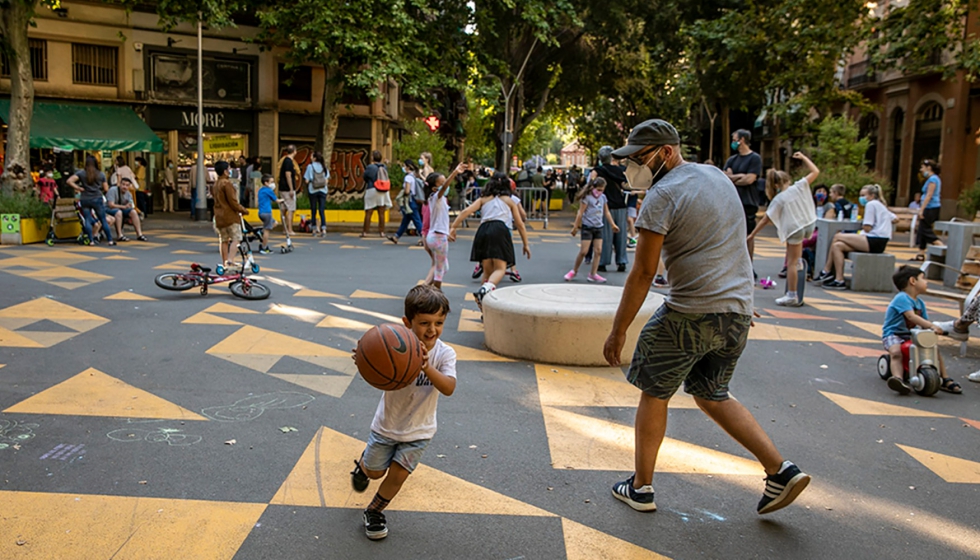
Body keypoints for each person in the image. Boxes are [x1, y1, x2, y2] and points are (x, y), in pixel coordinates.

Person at [602, 118, 809, 516]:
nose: (633, 167)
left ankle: (641, 488)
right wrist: (740, 302)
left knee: (654, 391)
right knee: (712, 393)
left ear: (666, 152)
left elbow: (643, 272)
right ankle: (780, 470)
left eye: (639, 158)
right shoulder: (716, 176)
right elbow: (732, 240)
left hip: (689, 312)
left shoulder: (661, 195)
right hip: (734, 312)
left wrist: (618, 331)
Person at [349, 284, 457, 541]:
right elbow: (374, 362)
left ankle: (374, 512)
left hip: (420, 430)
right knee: (376, 472)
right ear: (407, 323)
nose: (432, 330)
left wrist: (426, 367)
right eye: (424, 323)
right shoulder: (393, 344)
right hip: (387, 426)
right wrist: (367, 358)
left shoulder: (444, 354)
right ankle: (364, 467)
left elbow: (449, 387)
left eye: (439, 322)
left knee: (398, 475)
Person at [449, 172, 531, 311]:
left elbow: (466, 211)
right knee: (500, 268)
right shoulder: (509, 201)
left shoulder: (483, 199)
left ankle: (484, 309)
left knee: (487, 272)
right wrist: (526, 244)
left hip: (483, 230)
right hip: (500, 230)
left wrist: (453, 227)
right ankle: (485, 290)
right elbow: (520, 224)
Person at [747, 152, 820, 307]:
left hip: (794, 229)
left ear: (775, 185)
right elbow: (815, 171)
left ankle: (791, 294)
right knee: (797, 259)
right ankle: (799, 268)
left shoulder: (779, 199)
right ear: (787, 179)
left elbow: (766, 219)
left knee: (791, 263)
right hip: (808, 224)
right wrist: (804, 158)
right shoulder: (799, 186)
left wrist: (752, 235)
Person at [882, 266, 962, 394]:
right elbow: (911, 316)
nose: (926, 282)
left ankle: (945, 378)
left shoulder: (920, 303)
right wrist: (932, 326)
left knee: (934, 349)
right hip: (894, 334)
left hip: (912, 334)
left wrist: (933, 330)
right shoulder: (902, 298)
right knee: (896, 352)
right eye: (923, 279)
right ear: (913, 281)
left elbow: (924, 322)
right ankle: (898, 379)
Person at [816, 184, 896, 290]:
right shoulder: (881, 205)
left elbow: (867, 227)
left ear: (872, 195)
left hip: (874, 239)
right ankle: (839, 280)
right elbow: (896, 218)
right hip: (879, 241)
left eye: (864, 195)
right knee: (838, 246)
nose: (861, 198)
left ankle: (826, 270)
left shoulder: (871, 205)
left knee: (837, 236)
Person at [565, 177, 619, 283]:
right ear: (593, 187)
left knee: (598, 251)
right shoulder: (587, 198)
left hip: (599, 227)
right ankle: (574, 270)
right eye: (598, 189)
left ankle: (593, 274)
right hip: (588, 227)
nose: (599, 192)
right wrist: (575, 227)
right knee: (584, 251)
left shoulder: (603, 198)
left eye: (602, 190)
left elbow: (606, 212)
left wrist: (613, 224)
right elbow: (580, 212)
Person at [422, 163, 467, 289]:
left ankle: (427, 290)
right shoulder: (436, 197)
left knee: (443, 267)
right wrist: (455, 172)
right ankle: (436, 295)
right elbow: (444, 188)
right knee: (440, 270)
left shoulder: (439, 200)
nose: (445, 185)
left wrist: (448, 233)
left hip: (437, 236)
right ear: (434, 188)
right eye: (441, 183)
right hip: (437, 237)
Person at [724, 129, 763, 266]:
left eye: (735, 140)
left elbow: (749, 179)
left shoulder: (754, 159)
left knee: (748, 237)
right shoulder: (732, 160)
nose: (733, 143)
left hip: (748, 203)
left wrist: (734, 177)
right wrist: (740, 176)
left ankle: (748, 267)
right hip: (732, 202)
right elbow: (725, 178)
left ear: (742, 140)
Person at [593, 146, 630, 272]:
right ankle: (622, 261)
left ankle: (603, 262)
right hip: (620, 205)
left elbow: (590, 185)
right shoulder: (619, 171)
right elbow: (625, 186)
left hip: (605, 205)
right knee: (621, 234)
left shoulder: (597, 171)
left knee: (605, 234)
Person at [68, 156, 115, 246]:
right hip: (97, 198)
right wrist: (98, 189)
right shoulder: (100, 174)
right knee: (103, 220)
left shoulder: (82, 173)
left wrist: (78, 188)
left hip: (85, 199)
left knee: (87, 220)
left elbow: (69, 181)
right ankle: (110, 240)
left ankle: (91, 241)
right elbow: (106, 188)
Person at [212, 161, 249, 269]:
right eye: (228, 169)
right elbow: (233, 202)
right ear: (225, 171)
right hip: (230, 216)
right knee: (236, 238)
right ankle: (230, 261)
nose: (230, 171)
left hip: (219, 216)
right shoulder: (227, 184)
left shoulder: (216, 184)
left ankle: (224, 262)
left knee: (224, 240)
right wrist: (243, 210)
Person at [388, 161, 425, 244]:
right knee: (406, 220)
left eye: (404, 166)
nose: (403, 168)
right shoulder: (414, 176)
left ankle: (424, 238)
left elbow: (407, 191)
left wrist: (403, 193)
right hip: (414, 201)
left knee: (417, 220)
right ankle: (396, 236)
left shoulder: (408, 178)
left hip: (409, 201)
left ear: (408, 167)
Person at [914, 159, 942, 261]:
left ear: (929, 168)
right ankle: (921, 253)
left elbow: (929, 195)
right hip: (930, 207)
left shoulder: (933, 179)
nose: (921, 170)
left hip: (930, 207)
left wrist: (922, 209)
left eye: (922, 167)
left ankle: (940, 245)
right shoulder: (932, 179)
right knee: (922, 229)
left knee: (925, 230)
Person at [105, 177, 147, 242]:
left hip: (121, 209)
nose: (125, 187)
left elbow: (131, 205)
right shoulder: (113, 190)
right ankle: (119, 235)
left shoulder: (129, 194)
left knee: (133, 212)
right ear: (120, 184)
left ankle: (139, 234)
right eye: (123, 184)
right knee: (119, 212)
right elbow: (111, 205)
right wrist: (124, 207)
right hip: (108, 209)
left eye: (127, 185)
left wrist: (130, 206)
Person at [362, 150, 392, 238]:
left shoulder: (370, 167)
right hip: (383, 191)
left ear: (372, 158)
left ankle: (365, 232)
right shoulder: (384, 167)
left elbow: (365, 177)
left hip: (372, 189)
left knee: (368, 211)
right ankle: (382, 232)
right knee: (381, 212)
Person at [256, 174, 283, 255]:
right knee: (267, 230)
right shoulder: (268, 191)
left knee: (275, 223)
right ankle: (264, 248)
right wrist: (282, 200)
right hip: (267, 213)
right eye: (271, 182)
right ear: (266, 183)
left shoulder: (261, 190)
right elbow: (276, 200)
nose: (273, 184)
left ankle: (261, 231)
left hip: (261, 213)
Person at [305, 151, 329, 236]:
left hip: (313, 190)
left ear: (314, 158)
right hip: (323, 190)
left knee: (313, 210)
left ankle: (314, 229)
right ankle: (323, 229)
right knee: (322, 210)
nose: (310, 157)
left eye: (311, 156)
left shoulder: (310, 166)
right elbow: (326, 180)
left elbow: (307, 180)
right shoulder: (324, 166)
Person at [278, 145, 299, 238]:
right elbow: (288, 175)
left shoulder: (284, 160)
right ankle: (289, 229)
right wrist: (291, 188)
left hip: (282, 188)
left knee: (283, 209)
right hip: (287, 189)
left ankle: (284, 228)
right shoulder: (289, 162)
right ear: (294, 151)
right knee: (290, 209)